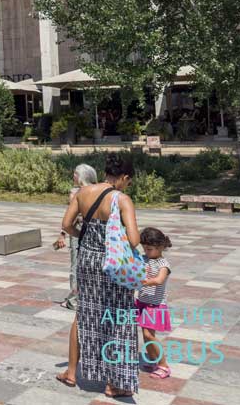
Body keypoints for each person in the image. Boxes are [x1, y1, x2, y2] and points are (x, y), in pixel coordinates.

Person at [56, 153, 140, 398]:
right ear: (124, 177)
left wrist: (86, 236)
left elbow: (67, 224)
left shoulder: (83, 193)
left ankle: (72, 372)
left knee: (85, 313)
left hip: (87, 260)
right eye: (129, 181)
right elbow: (134, 240)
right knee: (119, 316)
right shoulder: (122, 199)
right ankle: (115, 382)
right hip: (112, 264)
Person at [53, 163, 97, 310]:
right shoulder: (99, 191)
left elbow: (69, 219)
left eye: (75, 174)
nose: (73, 176)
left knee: (76, 265)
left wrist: (62, 235)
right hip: (96, 232)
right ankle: (87, 297)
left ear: (81, 177)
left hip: (78, 231)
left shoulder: (75, 193)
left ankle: (74, 300)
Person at [138, 227, 173, 379]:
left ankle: (164, 365)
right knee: (146, 335)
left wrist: (146, 282)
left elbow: (159, 280)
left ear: (160, 247)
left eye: (149, 249)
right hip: (143, 302)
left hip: (155, 304)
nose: (146, 251)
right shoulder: (144, 258)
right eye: (144, 248)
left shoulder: (163, 264)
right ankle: (154, 359)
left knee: (148, 334)